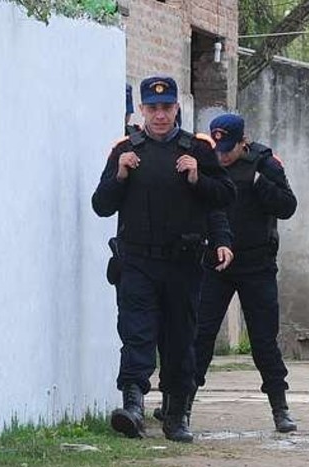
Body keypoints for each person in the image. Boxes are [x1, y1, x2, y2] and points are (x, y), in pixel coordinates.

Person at [92, 76, 236, 443]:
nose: (159, 115)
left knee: (179, 339)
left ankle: (176, 414)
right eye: (153, 108)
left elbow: (224, 197)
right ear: (142, 110)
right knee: (136, 334)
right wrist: (120, 175)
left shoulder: (198, 149)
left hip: (183, 264)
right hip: (137, 261)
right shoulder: (125, 149)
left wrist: (197, 178)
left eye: (166, 108)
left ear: (177, 109)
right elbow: (101, 205)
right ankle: (134, 406)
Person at [190, 113, 300, 433]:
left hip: (256, 264)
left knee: (264, 340)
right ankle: (180, 404)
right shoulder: (207, 161)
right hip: (215, 263)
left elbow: (287, 206)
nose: (222, 155)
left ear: (243, 142)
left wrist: (258, 184)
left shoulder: (265, 164)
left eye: (227, 149)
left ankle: (280, 408)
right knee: (200, 335)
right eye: (217, 148)